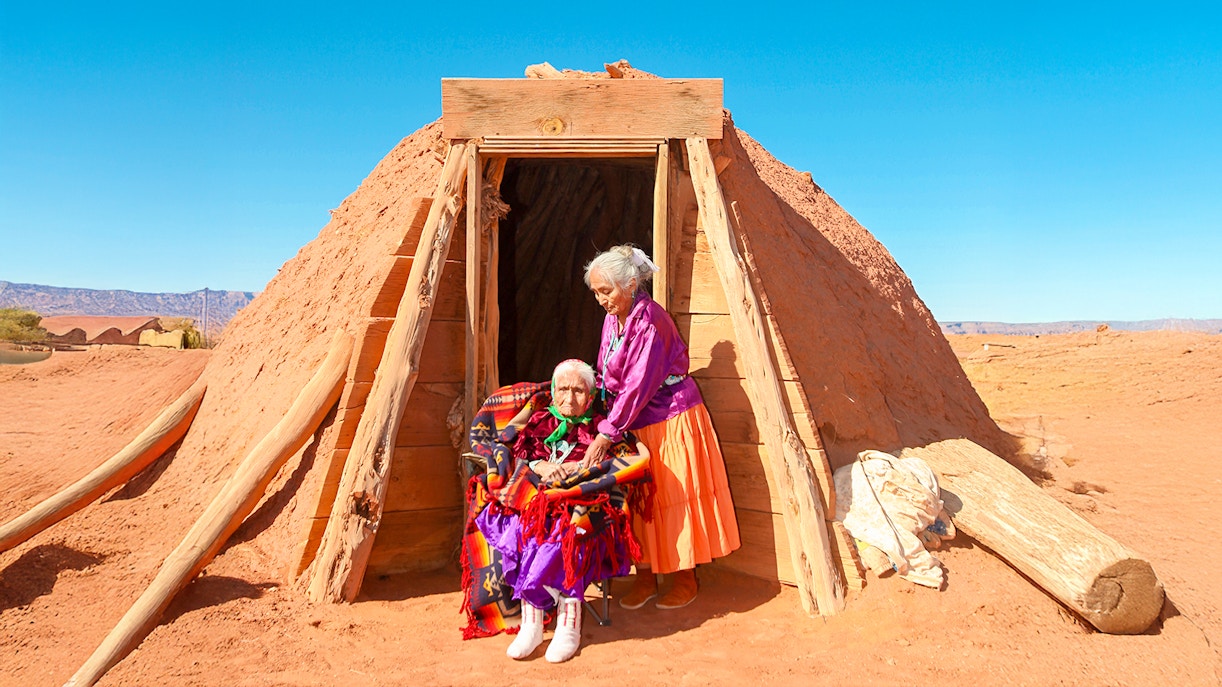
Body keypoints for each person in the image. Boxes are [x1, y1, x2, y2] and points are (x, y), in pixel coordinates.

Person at [583, 245, 740, 610]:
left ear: (631, 283)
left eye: (606, 291)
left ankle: (684, 578)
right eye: (596, 292)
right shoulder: (614, 318)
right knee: (640, 501)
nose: (601, 299)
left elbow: (640, 381)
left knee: (673, 498)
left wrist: (608, 432)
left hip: (669, 417)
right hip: (632, 421)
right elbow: (609, 371)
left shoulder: (651, 321)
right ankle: (647, 577)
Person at [475, 359, 634, 663]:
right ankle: (532, 623)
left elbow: (617, 462)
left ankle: (568, 623)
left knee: (566, 530)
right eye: (563, 389)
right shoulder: (539, 421)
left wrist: (577, 469)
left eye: (578, 391)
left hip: (584, 500)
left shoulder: (601, 427)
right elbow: (520, 454)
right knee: (527, 524)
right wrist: (542, 466)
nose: (569, 398)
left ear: (590, 396)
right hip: (541, 498)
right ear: (553, 390)